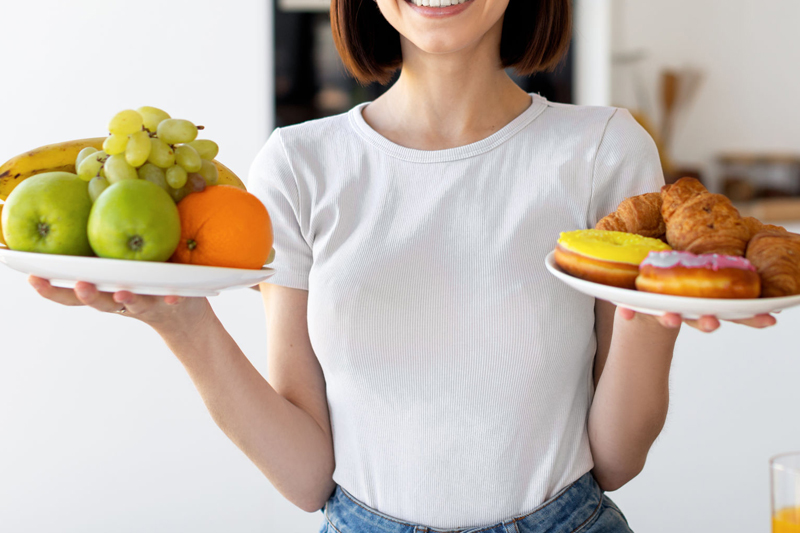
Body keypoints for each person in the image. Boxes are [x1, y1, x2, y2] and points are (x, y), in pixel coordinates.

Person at [29, 0, 777, 531]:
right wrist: (184, 325)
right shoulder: (298, 165)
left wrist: (656, 312)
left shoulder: (605, 149)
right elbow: (306, 477)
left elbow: (617, 459)